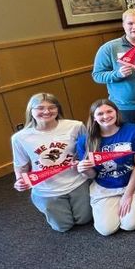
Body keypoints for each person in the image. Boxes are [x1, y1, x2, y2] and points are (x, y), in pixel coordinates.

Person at [11, 93, 92, 231]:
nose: (47, 111)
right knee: (63, 227)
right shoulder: (20, 138)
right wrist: (20, 180)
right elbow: (21, 166)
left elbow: (87, 151)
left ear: (58, 109)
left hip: (76, 182)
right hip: (46, 189)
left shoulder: (76, 126)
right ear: (31, 111)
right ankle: (42, 202)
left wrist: (82, 162)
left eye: (51, 107)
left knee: (84, 220)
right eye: (40, 108)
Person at [75, 99, 135, 236]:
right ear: (94, 118)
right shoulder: (85, 141)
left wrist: (128, 194)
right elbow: (93, 175)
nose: (106, 116)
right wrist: (84, 170)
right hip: (105, 185)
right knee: (106, 229)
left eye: (109, 111)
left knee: (130, 224)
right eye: (100, 114)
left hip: (134, 181)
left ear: (116, 112)